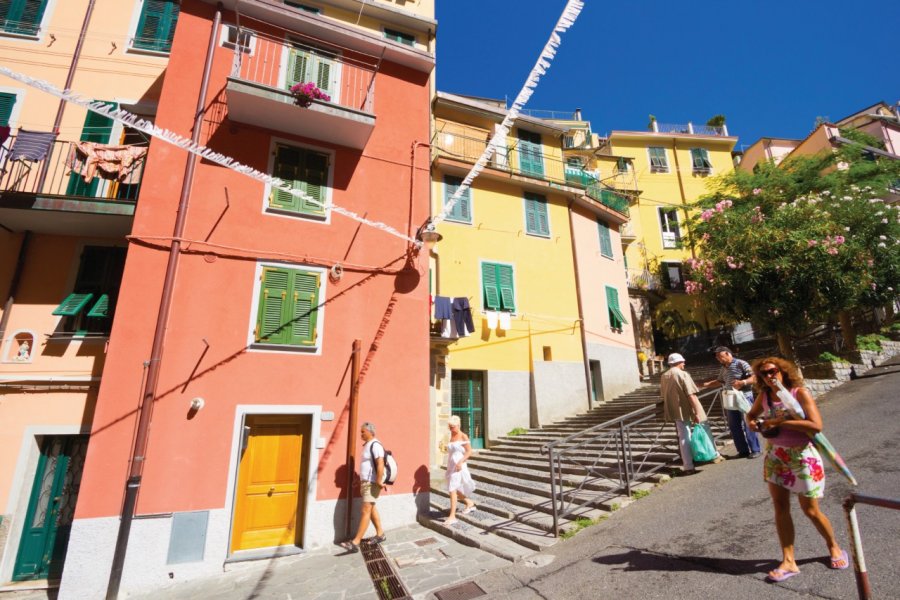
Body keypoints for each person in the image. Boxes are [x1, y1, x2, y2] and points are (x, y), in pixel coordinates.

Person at [746, 357, 849, 582]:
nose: (768, 376)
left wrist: (779, 423)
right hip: (776, 455)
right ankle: (789, 561)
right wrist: (752, 422)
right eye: (763, 374)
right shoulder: (764, 396)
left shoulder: (798, 393)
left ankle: (834, 547)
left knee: (810, 510)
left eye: (772, 371)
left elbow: (815, 425)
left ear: (782, 371)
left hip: (802, 455)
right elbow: (752, 414)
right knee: (780, 507)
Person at [660, 352, 724, 474]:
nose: (684, 363)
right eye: (682, 361)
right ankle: (714, 455)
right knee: (705, 429)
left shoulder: (664, 376)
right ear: (678, 362)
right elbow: (691, 394)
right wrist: (697, 412)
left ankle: (688, 465)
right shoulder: (683, 374)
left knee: (683, 436)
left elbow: (663, 394)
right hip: (689, 407)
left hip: (674, 410)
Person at [702, 346, 762, 459]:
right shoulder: (724, 368)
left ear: (728, 354)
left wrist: (743, 382)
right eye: (717, 357)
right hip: (730, 399)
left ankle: (755, 449)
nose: (718, 359)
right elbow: (720, 381)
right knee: (734, 425)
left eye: (720, 356)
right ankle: (743, 450)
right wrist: (704, 385)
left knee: (748, 423)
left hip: (744, 397)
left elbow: (755, 378)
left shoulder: (741, 363)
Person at [340, 422, 386, 553]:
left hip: (372, 483)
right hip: (366, 482)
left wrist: (378, 481)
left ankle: (356, 542)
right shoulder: (368, 445)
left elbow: (380, 463)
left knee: (365, 510)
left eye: (363, 432)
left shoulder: (376, 445)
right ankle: (380, 534)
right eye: (360, 432)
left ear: (370, 432)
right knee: (371, 509)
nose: (361, 434)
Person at [444, 415, 476, 525]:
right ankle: (469, 503)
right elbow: (452, 450)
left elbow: (469, 452)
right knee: (454, 488)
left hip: (459, 465)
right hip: (451, 465)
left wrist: (460, 461)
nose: (451, 429)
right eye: (450, 427)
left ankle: (452, 516)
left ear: (458, 425)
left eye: (453, 427)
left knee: (452, 489)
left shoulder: (463, 436)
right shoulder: (451, 435)